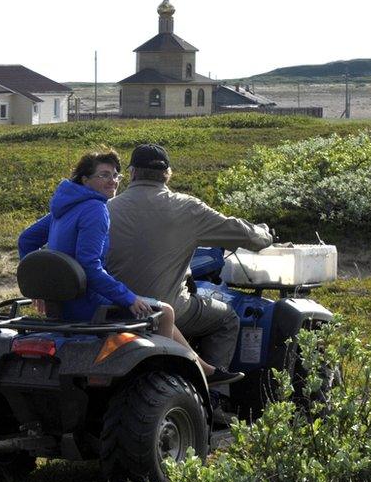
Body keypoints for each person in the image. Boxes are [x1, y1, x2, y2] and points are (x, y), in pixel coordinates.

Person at [19, 149, 242, 386]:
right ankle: (163, 384)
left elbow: (26, 240)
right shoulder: (95, 209)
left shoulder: (64, 207)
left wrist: (40, 289)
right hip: (87, 305)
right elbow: (89, 267)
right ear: (85, 179)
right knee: (164, 312)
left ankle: (203, 368)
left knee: (158, 309)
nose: (112, 181)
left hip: (61, 305)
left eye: (116, 175)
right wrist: (128, 298)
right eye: (104, 175)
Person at [106, 144, 273, 410]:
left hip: (112, 309)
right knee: (226, 318)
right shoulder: (186, 208)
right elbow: (241, 233)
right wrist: (264, 233)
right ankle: (214, 397)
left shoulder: (108, 208)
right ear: (167, 175)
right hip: (166, 308)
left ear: (133, 173)